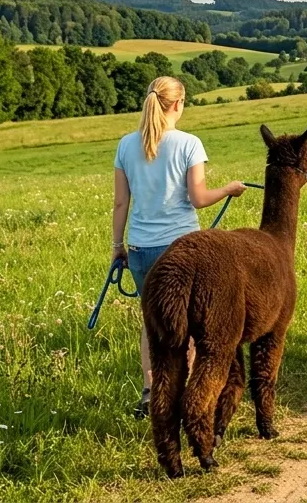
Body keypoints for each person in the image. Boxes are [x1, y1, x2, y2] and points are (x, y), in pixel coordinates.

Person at [112, 75, 246, 418]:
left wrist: (117, 246)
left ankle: (150, 390)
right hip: (182, 250)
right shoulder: (189, 143)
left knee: (152, 323)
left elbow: (120, 204)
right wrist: (228, 190)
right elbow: (199, 199)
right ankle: (183, 393)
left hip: (141, 248)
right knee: (187, 325)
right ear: (178, 105)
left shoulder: (126, 145)